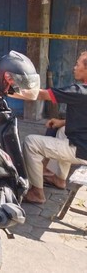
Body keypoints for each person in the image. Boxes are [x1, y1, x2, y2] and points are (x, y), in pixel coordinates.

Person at [16, 51, 87, 204]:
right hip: (83, 145)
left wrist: (8, 91)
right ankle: (60, 179)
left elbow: (41, 94)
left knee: (30, 142)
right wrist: (63, 122)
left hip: (82, 150)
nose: (74, 68)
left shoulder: (79, 92)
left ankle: (37, 192)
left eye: (78, 64)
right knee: (61, 130)